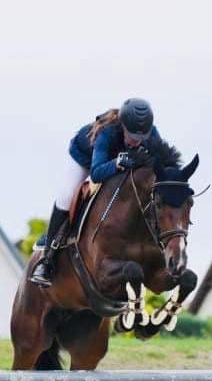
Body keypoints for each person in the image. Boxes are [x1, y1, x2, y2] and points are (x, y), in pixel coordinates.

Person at [29, 98, 162, 287]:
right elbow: (97, 173)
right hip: (85, 159)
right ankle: (48, 258)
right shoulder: (107, 132)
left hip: (113, 163)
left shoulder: (151, 133)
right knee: (66, 197)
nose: (136, 142)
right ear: (122, 125)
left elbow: (161, 161)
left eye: (140, 138)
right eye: (132, 136)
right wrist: (117, 162)